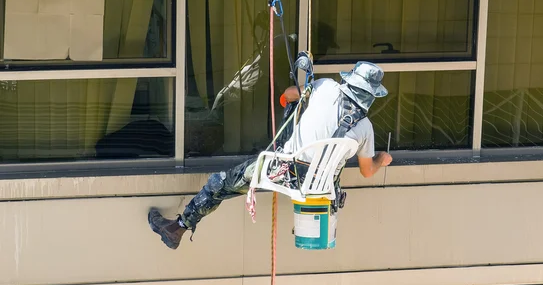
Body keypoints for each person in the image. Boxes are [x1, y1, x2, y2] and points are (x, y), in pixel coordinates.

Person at [148, 61, 393, 249]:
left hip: (282, 171)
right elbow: (367, 171)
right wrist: (382, 159)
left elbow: (288, 95)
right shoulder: (365, 128)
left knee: (220, 183)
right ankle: (178, 228)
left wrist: (289, 99)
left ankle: (178, 228)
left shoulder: (326, 87)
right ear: (371, 95)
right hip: (318, 189)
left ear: (349, 82)